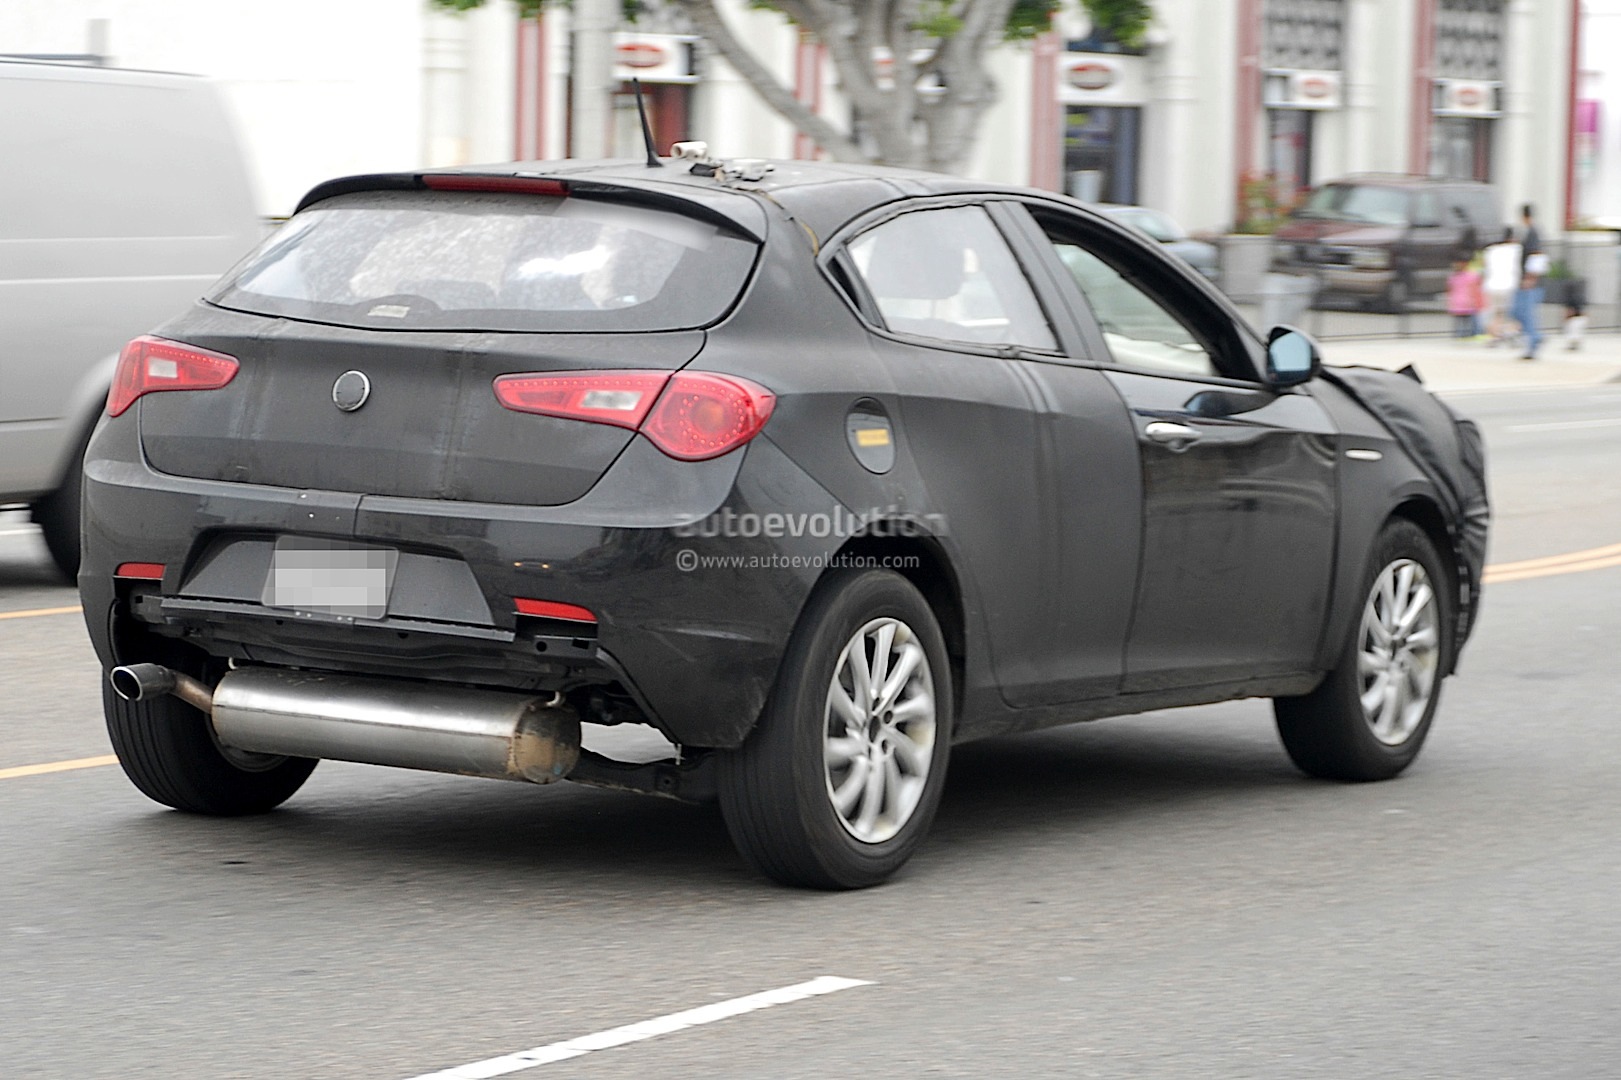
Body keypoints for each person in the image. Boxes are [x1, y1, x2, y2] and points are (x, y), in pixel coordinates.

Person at [1481, 227, 1522, 345]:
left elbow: (1485, 266)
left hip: (1491, 285)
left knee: (1496, 312)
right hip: (1509, 285)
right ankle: (1512, 333)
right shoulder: (1516, 249)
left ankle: (1494, 336)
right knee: (1511, 312)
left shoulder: (1491, 250)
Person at [1446, 256, 1484, 339]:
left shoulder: (1452, 278)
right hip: (1468, 303)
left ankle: (1459, 335)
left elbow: (1450, 290)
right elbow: (1476, 288)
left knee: (1459, 322)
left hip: (1456, 304)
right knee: (1470, 322)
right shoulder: (1472, 276)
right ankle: (1471, 334)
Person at [1564, 277, 1588, 351]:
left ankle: (1573, 346)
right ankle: (1576, 345)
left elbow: (1571, 310)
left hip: (1575, 318)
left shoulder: (1570, 298)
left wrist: (1566, 318)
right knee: (1577, 332)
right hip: (1582, 317)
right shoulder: (1580, 296)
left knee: (1571, 331)